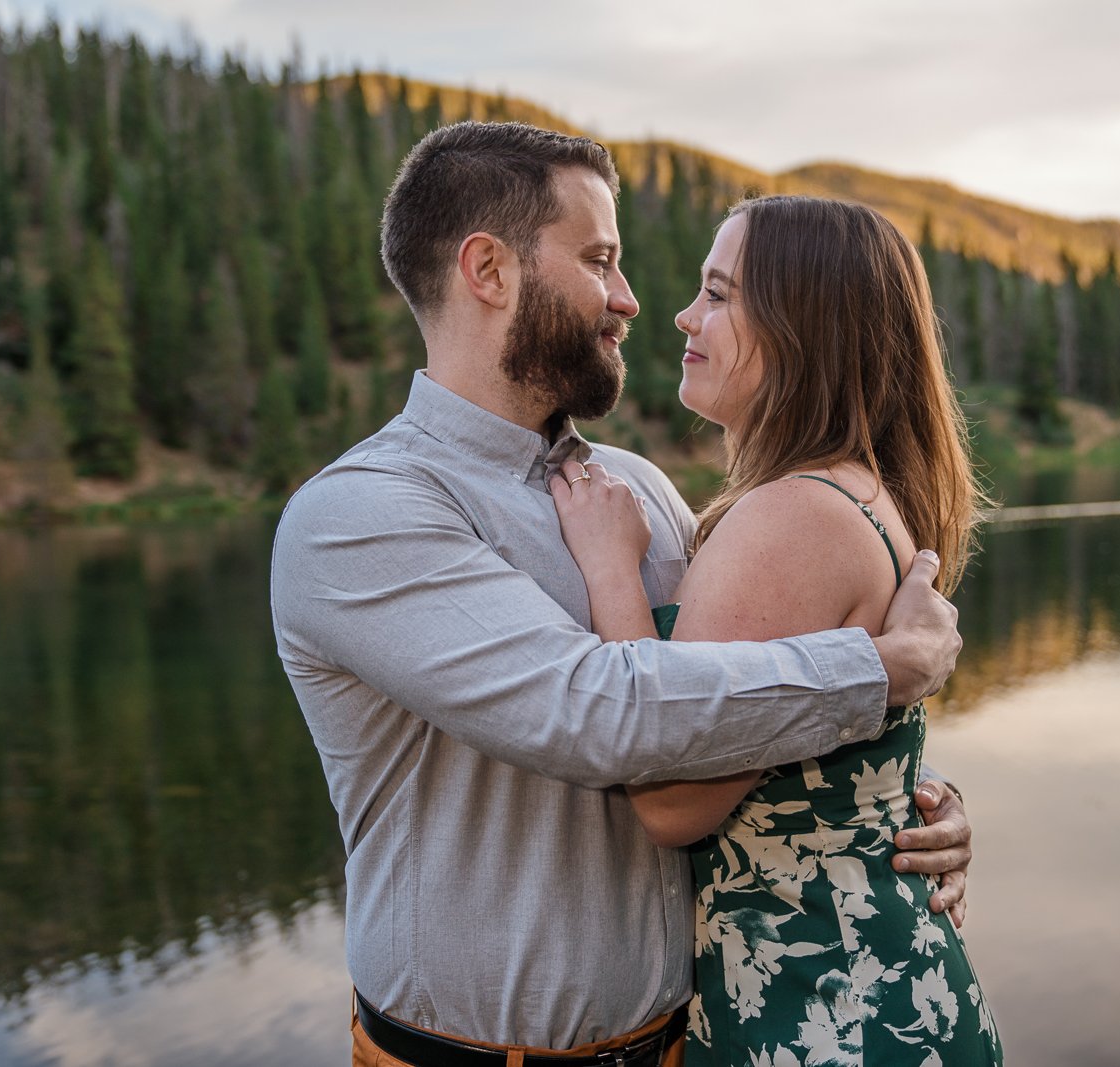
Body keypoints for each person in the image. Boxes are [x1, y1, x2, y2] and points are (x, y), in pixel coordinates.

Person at [270, 122, 974, 1066]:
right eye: (600, 260)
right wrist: (879, 672)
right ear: (490, 270)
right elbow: (599, 712)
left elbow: (735, 695)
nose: (633, 300)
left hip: (693, 1043)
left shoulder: (637, 489)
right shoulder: (362, 515)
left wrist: (903, 808)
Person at [550, 195, 1003, 1064]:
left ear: (805, 331)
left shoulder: (793, 517)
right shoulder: (848, 493)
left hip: (823, 1014)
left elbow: (672, 798)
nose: (683, 314)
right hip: (868, 990)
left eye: (718, 295)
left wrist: (610, 568)